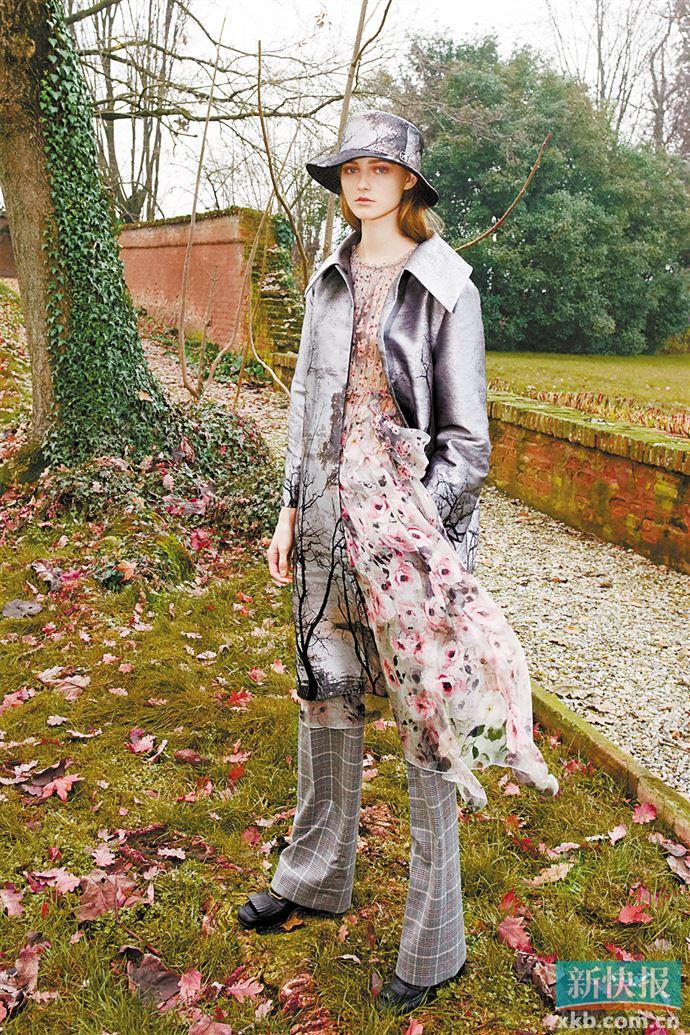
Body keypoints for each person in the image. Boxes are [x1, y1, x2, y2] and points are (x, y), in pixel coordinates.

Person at [237, 109, 559, 1016]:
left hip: (412, 537)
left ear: (409, 181)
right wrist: (289, 510)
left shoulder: (447, 284)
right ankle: (315, 874)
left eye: (380, 169)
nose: (364, 183)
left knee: (427, 726)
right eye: (351, 169)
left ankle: (435, 941)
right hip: (325, 525)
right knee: (327, 696)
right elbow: (307, 407)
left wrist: (421, 528)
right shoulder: (327, 276)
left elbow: (468, 441)